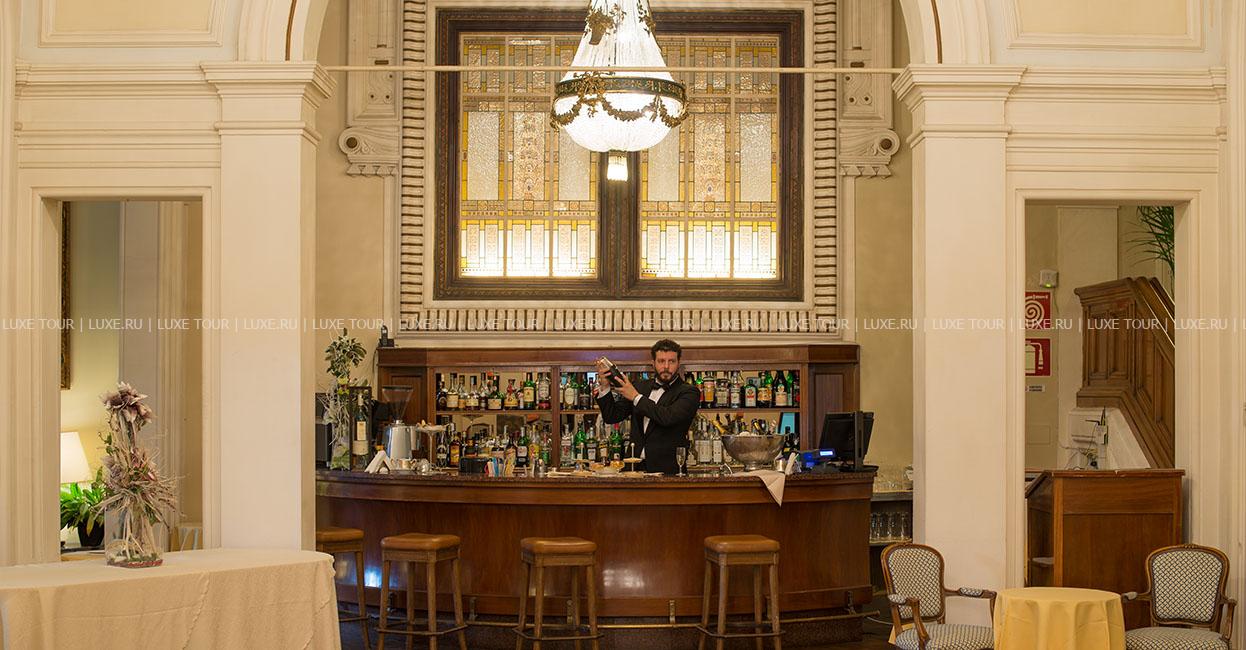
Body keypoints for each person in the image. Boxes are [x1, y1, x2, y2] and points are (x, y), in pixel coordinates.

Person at [595, 339, 699, 475]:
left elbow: (667, 417)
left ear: (678, 363)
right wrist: (605, 386)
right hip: (633, 468)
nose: (666, 366)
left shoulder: (689, 392)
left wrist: (636, 397)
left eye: (671, 361)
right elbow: (612, 416)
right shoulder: (639, 387)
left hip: (668, 470)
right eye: (661, 361)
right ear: (653, 363)